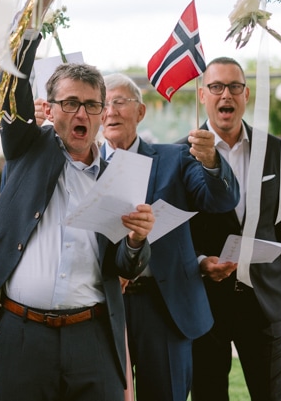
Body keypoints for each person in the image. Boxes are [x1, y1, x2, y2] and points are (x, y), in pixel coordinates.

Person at [0, 10, 156, 401]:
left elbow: (127, 266)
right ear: (49, 108)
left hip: (93, 336)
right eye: (70, 103)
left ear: (102, 113)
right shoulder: (26, 149)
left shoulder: (120, 175)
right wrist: (32, 23)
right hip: (24, 335)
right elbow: (12, 92)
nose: (82, 113)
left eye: (92, 105)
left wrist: (136, 240)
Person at [100, 73, 238, 400]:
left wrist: (213, 162)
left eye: (119, 102)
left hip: (162, 304)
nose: (110, 111)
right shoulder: (84, 165)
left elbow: (220, 200)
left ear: (141, 112)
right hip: (104, 303)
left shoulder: (175, 158)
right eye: (102, 104)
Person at [182, 56, 281, 401]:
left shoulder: (276, 151)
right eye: (217, 87)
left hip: (265, 299)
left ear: (246, 94)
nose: (226, 94)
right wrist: (200, 261)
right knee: (209, 395)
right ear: (202, 95)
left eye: (234, 87)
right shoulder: (181, 155)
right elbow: (176, 231)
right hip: (206, 301)